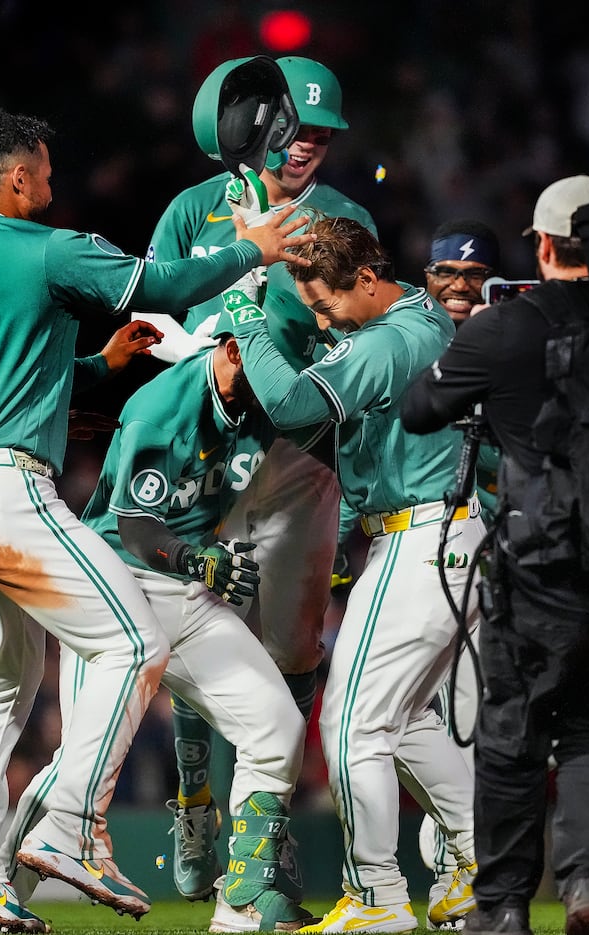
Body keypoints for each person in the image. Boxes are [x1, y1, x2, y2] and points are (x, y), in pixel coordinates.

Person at [0, 108, 314, 932]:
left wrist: (99, 369)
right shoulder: (47, 247)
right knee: (133, 644)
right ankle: (72, 829)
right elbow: (162, 286)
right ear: (15, 176)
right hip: (4, 492)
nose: (53, 186)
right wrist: (253, 250)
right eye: (45, 172)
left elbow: (0, 377)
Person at [401, 175, 589, 935]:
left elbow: (419, 410)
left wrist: (483, 346)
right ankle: (588, 884)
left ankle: (505, 905)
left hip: (545, 570)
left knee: (513, 734)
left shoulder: (505, 328)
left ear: (540, 246)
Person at [146, 55, 378, 903]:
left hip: (298, 453)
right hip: (203, 440)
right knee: (194, 629)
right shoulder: (191, 209)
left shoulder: (346, 217)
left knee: (290, 652)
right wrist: (199, 349)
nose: (306, 146)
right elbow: (150, 316)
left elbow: (362, 344)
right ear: (259, 123)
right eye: (294, 128)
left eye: (322, 134)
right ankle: (195, 790)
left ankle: (263, 853)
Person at [1, 326, 319, 933]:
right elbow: (139, 528)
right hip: (117, 588)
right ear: (231, 350)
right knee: (79, 764)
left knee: (277, 728)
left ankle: (242, 902)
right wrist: (199, 560)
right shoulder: (161, 408)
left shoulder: (264, 401)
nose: (282, 374)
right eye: (267, 358)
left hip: (191, 595)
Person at [225, 216, 481, 933]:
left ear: (368, 278)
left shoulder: (395, 337)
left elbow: (297, 403)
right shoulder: (420, 322)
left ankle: (378, 895)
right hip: (443, 535)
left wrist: (247, 321)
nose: (321, 315)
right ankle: (478, 857)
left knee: (346, 725)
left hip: (420, 538)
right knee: (400, 723)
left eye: (327, 300)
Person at [414, 218, 503, 924]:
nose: (460, 287)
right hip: (427, 540)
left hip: (498, 545)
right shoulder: (411, 339)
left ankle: (460, 863)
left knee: (476, 717)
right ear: (428, 277)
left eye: (474, 277)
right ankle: (455, 857)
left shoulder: (513, 344)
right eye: (448, 274)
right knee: (436, 715)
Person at [423, 219, 502, 325]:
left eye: (475, 275)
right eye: (446, 273)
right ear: (428, 276)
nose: (459, 287)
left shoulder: (514, 336)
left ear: (495, 281)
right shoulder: (405, 335)